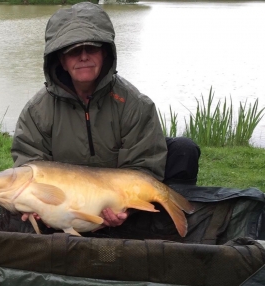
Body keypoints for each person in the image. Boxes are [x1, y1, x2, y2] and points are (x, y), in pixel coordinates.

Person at [11, 2, 200, 230]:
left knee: (183, 149)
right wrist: (35, 204)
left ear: (105, 53)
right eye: (73, 50)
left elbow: (143, 167)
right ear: (60, 59)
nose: (83, 57)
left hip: (114, 191)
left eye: (91, 48)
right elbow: (28, 165)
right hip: (67, 202)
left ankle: (169, 219)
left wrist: (126, 208)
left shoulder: (134, 104)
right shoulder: (37, 111)